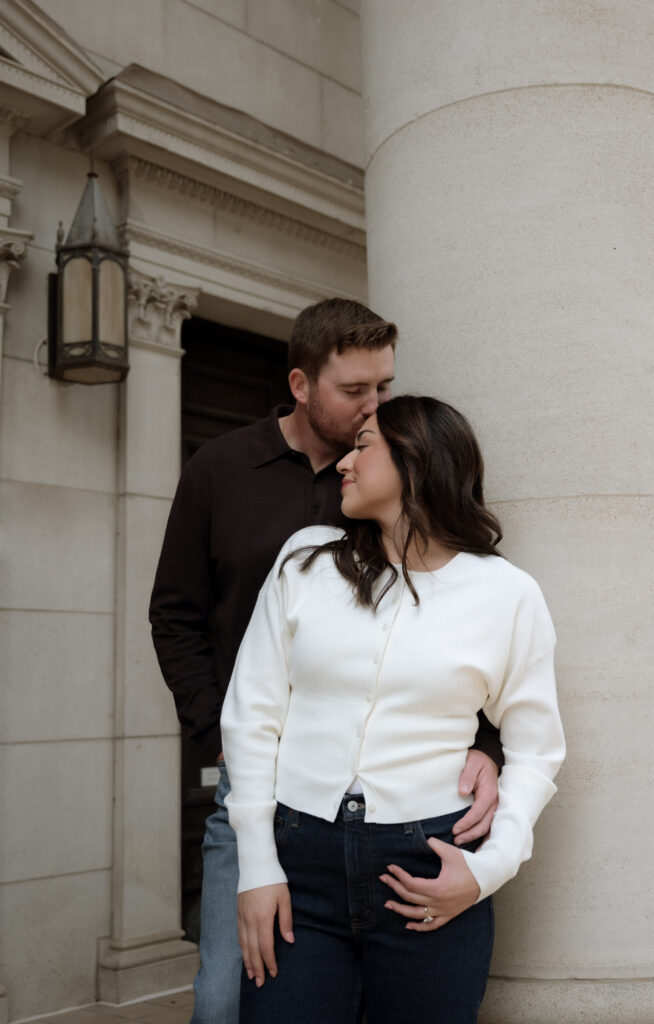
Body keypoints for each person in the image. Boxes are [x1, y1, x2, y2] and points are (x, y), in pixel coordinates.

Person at [150, 301, 503, 1023]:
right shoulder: (220, 469)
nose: (373, 404)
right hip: (256, 778)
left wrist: (486, 746)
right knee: (224, 1001)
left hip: (386, 804)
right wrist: (217, 731)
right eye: (354, 391)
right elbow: (175, 613)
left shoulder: (400, 473)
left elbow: (463, 628)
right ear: (301, 384)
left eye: (383, 386)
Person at [221, 395, 565, 1024]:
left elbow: (537, 749)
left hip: (429, 868)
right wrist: (257, 867)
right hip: (298, 867)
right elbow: (252, 714)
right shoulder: (306, 560)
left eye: (363, 446)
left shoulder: (507, 594)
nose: (344, 464)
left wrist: (488, 869)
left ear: (415, 461)